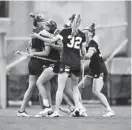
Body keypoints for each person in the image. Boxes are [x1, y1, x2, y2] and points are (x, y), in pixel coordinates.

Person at [32, 14, 87, 117]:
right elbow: (83, 52)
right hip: (76, 63)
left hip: (66, 62)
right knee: (74, 87)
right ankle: (78, 108)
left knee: (60, 88)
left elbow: (51, 40)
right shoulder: (82, 35)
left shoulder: (65, 32)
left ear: (71, 22)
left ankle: (56, 111)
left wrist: (38, 36)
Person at [17, 13, 53, 117]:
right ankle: (48, 110)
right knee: (46, 86)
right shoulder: (42, 32)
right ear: (38, 22)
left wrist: (34, 17)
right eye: (42, 20)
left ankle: (21, 110)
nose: (44, 22)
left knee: (31, 86)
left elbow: (31, 45)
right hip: (39, 61)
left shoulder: (34, 32)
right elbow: (45, 51)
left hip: (32, 62)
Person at [78, 23, 115, 117]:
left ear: (90, 33)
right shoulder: (84, 43)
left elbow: (88, 55)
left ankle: (109, 110)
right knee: (79, 87)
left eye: (86, 30)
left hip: (99, 69)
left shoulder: (93, 44)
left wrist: (81, 54)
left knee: (96, 91)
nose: (84, 31)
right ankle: (79, 107)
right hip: (93, 69)